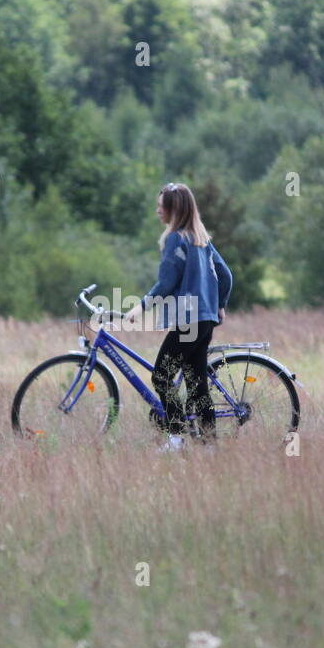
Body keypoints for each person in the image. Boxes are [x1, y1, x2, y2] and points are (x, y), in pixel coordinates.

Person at [122, 182, 232, 450]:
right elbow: (226, 274)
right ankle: (208, 445)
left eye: (161, 206)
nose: (157, 210)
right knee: (196, 382)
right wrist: (220, 304)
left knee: (161, 375)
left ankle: (176, 437)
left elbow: (166, 284)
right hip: (205, 320)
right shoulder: (201, 238)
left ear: (174, 209)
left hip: (188, 321)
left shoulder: (176, 239)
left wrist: (140, 307)